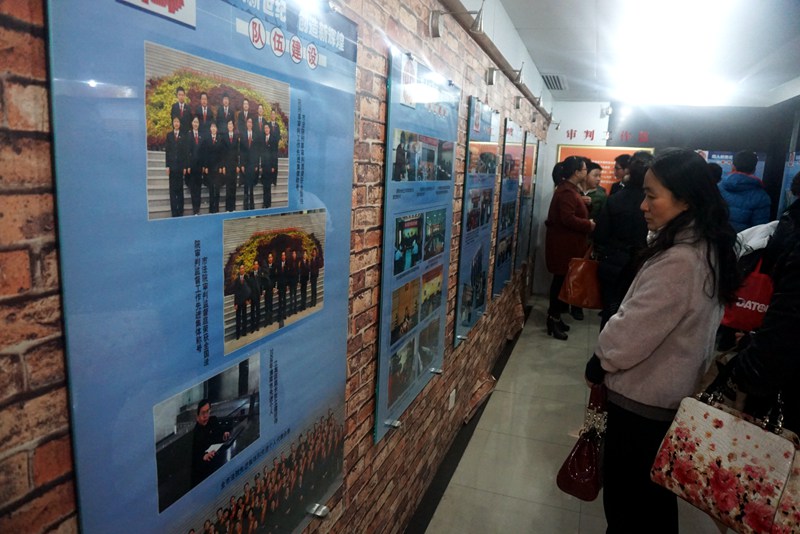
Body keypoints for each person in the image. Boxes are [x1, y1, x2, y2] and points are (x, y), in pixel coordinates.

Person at [584, 148, 739, 533]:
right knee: (652, 503)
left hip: (643, 403)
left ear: (685, 200)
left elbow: (630, 334)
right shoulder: (706, 247)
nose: (643, 205)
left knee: (629, 508)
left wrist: (600, 360)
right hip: (665, 397)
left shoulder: (680, 260)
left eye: (652, 196)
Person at [593, 150, 654, 329]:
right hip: (643, 264)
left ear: (629, 172)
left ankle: (604, 345)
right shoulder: (655, 203)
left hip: (614, 262)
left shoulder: (615, 199)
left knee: (610, 311)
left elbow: (600, 235)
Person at [544, 156, 595, 340]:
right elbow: (567, 218)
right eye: (584, 169)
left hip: (568, 245)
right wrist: (588, 224)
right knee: (559, 283)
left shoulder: (571, 189)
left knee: (562, 282)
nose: (586, 172)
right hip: (563, 247)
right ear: (576, 172)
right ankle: (552, 319)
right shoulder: (566, 191)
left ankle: (556, 318)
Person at [717, 150, 771, 232]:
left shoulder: (718, 187)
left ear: (733, 167)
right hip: (742, 239)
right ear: (754, 169)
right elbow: (758, 230)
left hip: (716, 237)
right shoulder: (762, 197)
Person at [191, 399, 232, 486]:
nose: (206, 416)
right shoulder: (195, 433)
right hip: (204, 472)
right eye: (203, 413)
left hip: (218, 460)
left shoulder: (213, 421)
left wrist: (224, 435)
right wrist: (204, 457)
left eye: (207, 411)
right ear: (197, 416)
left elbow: (220, 434)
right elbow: (195, 457)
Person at [165, 116, 188, 217]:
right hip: (172, 166)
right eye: (175, 122)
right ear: (173, 123)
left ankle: (180, 210)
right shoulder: (169, 135)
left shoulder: (183, 136)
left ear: (180, 124)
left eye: (178, 122)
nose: (176, 123)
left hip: (180, 166)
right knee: (172, 190)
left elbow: (185, 153)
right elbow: (167, 151)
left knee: (180, 189)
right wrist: (167, 166)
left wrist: (185, 166)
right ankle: (174, 211)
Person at [202, 121, 225, 214]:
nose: (213, 128)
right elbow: (205, 154)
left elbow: (222, 154)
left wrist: (221, 166)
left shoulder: (220, 139)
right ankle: (211, 209)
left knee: (217, 189)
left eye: (215, 127)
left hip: (218, 168)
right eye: (212, 127)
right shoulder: (207, 139)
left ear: (217, 129)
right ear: (210, 129)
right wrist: (205, 166)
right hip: (210, 167)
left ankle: (217, 208)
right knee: (211, 189)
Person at [187, 116, 205, 215]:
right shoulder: (188, 135)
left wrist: (203, 165)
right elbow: (186, 151)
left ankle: (198, 208)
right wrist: (188, 166)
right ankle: (195, 209)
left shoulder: (201, 135)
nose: (195, 124)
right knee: (193, 187)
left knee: (198, 187)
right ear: (192, 123)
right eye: (194, 122)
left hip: (200, 166)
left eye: (197, 122)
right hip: (192, 166)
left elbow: (203, 151)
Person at [239, 117, 258, 211]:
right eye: (248, 122)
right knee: (246, 186)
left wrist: (256, 165)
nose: (249, 123)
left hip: (252, 164)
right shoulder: (243, 134)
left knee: (251, 186)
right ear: (246, 124)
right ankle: (245, 206)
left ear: (252, 124)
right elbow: (241, 151)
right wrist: (242, 164)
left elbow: (257, 152)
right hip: (245, 164)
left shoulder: (255, 135)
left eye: (251, 122)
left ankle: (252, 205)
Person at [222, 119, 240, 212]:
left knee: (233, 187)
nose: (230, 125)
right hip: (227, 165)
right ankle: (228, 208)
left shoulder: (236, 137)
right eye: (228, 124)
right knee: (228, 187)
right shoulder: (224, 137)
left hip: (234, 165)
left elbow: (238, 152)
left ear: (233, 126)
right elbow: (222, 153)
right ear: (227, 126)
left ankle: (233, 208)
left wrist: (238, 165)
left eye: (231, 124)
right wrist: (223, 166)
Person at [260, 123, 278, 209]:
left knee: (268, 186)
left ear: (270, 129)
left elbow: (275, 154)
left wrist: (273, 166)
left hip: (270, 166)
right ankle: (265, 203)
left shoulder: (273, 139)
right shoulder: (263, 139)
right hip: (264, 166)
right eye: (265, 128)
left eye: (267, 128)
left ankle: (268, 203)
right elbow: (262, 154)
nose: (266, 129)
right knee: (264, 186)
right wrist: (261, 166)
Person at [233, 264, 250, 339]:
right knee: (238, 318)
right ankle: (238, 334)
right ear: (239, 270)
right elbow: (235, 292)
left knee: (244, 317)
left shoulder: (246, 278)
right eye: (241, 268)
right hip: (238, 302)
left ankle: (244, 332)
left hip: (244, 301)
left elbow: (248, 290)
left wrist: (248, 299)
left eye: (243, 268)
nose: (242, 270)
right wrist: (235, 303)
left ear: (244, 270)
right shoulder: (237, 280)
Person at [246, 261, 262, 333]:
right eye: (254, 264)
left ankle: (257, 325)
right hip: (252, 296)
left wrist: (261, 293)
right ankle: (252, 327)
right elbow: (249, 287)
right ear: (253, 266)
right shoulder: (251, 274)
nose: (256, 266)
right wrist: (249, 298)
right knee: (252, 312)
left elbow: (261, 284)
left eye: (257, 264)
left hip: (258, 296)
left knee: (258, 311)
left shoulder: (260, 274)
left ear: (258, 266)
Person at [260, 253, 275, 326]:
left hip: (271, 289)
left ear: (272, 258)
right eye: (269, 257)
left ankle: (270, 319)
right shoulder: (264, 267)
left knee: (270, 304)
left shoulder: (274, 266)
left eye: (271, 257)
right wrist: (263, 289)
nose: (270, 258)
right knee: (266, 305)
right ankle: (266, 320)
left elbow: (274, 278)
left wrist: (274, 287)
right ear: (268, 259)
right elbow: (263, 280)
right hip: (266, 290)